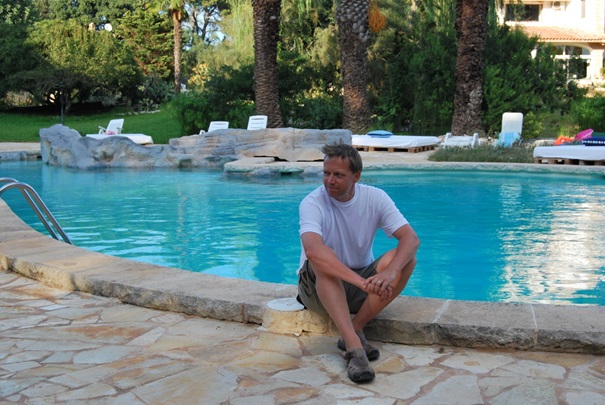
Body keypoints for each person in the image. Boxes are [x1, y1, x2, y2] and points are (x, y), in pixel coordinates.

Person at [297, 142, 419, 383]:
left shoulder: (375, 197)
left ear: (356, 176)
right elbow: (313, 251)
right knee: (323, 258)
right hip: (317, 290)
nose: (330, 180)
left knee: (406, 259)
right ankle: (354, 348)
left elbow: (411, 239)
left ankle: (354, 327)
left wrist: (391, 272)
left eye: (338, 175)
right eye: (326, 173)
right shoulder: (312, 203)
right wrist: (362, 283)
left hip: (358, 285)